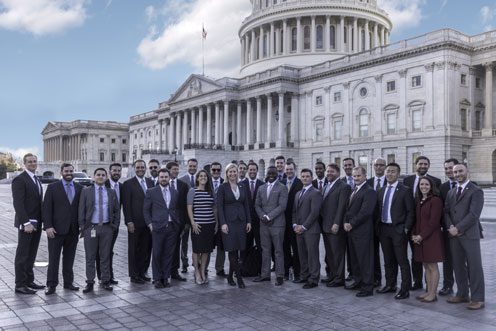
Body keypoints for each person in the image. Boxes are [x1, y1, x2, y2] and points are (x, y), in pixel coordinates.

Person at [445, 164, 485, 310]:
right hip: (453, 235)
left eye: (460, 171)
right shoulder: (451, 192)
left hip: (469, 234)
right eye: (455, 172)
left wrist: (458, 228)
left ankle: (478, 298)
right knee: (458, 265)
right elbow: (446, 212)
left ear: (467, 172)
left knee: (474, 267)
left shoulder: (476, 191)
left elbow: (474, 215)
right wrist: (450, 227)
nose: (457, 174)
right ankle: (462, 294)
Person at [376, 163, 415, 300]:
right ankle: (390, 285)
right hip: (384, 229)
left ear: (398, 174)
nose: (389, 174)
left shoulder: (405, 190)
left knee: (402, 260)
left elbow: (411, 211)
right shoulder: (380, 190)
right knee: (388, 260)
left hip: (398, 229)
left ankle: (405, 289)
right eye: (388, 171)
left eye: (393, 172)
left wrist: (405, 228)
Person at [78, 168, 120, 293]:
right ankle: (90, 282)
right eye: (98, 175)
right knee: (90, 256)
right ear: (93, 176)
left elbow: (117, 210)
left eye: (103, 175)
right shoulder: (86, 191)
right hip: (91, 228)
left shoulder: (111, 192)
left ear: (106, 177)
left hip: (107, 228)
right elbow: (81, 210)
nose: (100, 177)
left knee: (105, 256)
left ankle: (105, 281)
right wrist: (83, 227)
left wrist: (115, 226)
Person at [403, 155, 441, 290]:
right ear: (416, 165)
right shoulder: (407, 180)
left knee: (429, 259)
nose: (423, 166)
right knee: (416, 256)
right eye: (420, 164)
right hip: (411, 225)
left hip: (427, 226)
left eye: (426, 164)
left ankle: (429, 287)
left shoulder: (436, 181)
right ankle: (417, 282)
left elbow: (436, 211)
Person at [43, 163, 82, 295]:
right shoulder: (53, 187)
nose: (69, 173)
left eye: (71, 171)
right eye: (66, 171)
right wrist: (48, 226)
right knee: (54, 258)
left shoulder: (79, 188)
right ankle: (51, 285)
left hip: (73, 230)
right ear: (61, 172)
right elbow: (46, 208)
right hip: (55, 230)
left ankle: (68, 283)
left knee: (69, 258)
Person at [12, 153, 45, 294]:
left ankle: (29, 280)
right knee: (23, 254)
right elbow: (18, 204)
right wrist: (26, 223)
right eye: (30, 162)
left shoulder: (35, 179)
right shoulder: (20, 180)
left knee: (31, 254)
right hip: (27, 224)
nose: (33, 163)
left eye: (34, 161)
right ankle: (20, 284)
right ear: (24, 164)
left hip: (36, 223)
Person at [343, 166, 377, 297]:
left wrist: (351, 223)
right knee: (355, 259)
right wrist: (346, 223)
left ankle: (367, 287)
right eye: (354, 176)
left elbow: (366, 212)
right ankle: (358, 281)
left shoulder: (369, 191)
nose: (356, 178)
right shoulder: (354, 189)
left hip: (362, 232)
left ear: (364, 176)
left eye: (358, 176)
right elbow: (349, 209)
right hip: (351, 231)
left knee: (365, 260)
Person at [217, 163, 252, 288]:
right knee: (232, 251)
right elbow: (219, 207)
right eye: (230, 172)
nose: (232, 174)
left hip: (241, 222)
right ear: (226, 173)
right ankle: (239, 279)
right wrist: (223, 223)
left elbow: (246, 205)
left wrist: (248, 221)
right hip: (229, 223)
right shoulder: (222, 187)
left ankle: (230, 276)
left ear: (238, 173)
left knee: (238, 250)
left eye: (234, 171)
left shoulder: (242, 186)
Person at [143, 168, 179, 288]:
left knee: (168, 254)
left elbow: (176, 209)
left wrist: (177, 223)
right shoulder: (151, 191)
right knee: (157, 253)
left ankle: (166, 277)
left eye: (166, 177)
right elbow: (146, 210)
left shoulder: (174, 191)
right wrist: (150, 224)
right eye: (161, 177)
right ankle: (157, 278)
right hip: (157, 227)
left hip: (171, 227)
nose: (164, 179)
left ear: (169, 178)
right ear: (158, 178)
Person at [411, 176, 444, 303]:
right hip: (420, 238)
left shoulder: (435, 200)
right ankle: (428, 291)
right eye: (421, 184)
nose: (423, 187)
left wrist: (421, 236)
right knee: (426, 265)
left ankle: (433, 294)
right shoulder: (419, 200)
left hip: (431, 238)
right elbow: (417, 220)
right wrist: (414, 235)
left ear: (431, 186)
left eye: (426, 185)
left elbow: (434, 222)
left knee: (432, 266)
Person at [254, 166, 288, 286]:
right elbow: (257, 204)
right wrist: (263, 216)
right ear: (266, 174)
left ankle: (279, 276)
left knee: (278, 250)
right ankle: (265, 275)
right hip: (263, 224)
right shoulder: (261, 188)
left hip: (277, 224)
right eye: (269, 173)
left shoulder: (283, 188)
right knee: (265, 250)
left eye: (273, 172)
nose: (271, 174)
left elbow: (282, 206)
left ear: (277, 174)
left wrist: (269, 216)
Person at [122, 159, 154, 284]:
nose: (140, 169)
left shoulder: (151, 182)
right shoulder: (128, 184)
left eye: (142, 167)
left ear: (146, 168)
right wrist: (129, 221)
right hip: (135, 223)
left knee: (145, 249)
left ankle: (142, 272)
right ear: (134, 168)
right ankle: (134, 275)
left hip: (148, 223)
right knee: (134, 250)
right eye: (138, 167)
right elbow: (126, 205)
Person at [320, 163, 350, 288]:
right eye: (327, 172)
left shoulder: (344, 186)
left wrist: (337, 223)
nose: (329, 174)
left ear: (338, 173)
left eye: (332, 172)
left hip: (335, 226)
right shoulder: (326, 185)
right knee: (330, 253)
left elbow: (342, 207)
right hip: (326, 225)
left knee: (337, 254)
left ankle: (339, 279)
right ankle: (332, 275)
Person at [292, 168, 322, 289]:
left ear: (311, 177)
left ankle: (313, 279)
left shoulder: (316, 192)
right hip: (298, 230)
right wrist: (295, 225)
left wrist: (303, 226)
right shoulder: (298, 194)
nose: (305, 178)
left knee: (312, 255)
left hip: (311, 230)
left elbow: (314, 213)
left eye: (307, 176)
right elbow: (294, 211)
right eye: (303, 176)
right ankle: (304, 276)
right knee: (302, 254)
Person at [187, 170, 217, 284]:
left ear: (208, 178)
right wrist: (193, 222)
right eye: (201, 176)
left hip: (209, 224)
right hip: (197, 225)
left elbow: (214, 208)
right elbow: (189, 207)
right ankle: (197, 273)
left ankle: (203, 271)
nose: (203, 177)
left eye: (205, 176)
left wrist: (217, 223)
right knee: (196, 250)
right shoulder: (192, 191)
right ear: (197, 178)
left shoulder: (211, 192)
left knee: (206, 250)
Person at [96, 162, 122, 285]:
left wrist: (116, 225)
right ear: (109, 172)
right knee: (99, 251)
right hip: (101, 225)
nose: (116, 173)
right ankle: (102, 276)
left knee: (109, 251)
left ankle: (109, 275)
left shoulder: (122, 186)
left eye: (118, 171)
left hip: (113, 226)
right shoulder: (101, 184)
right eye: (114, 170)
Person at [437, 158, 459, 296]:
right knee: (447, 260)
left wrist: (459, 226)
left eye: (451, 168)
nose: (448, 171)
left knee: (465, 260)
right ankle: (447, 285)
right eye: (446, 169)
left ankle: (465, 287)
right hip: (447, 228)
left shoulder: (471, 185)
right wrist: (447, 225)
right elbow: (442, 209)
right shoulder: (442, 187)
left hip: (465, 230)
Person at [367, 157, 388, 287]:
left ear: (385, 167)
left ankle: (390, 282)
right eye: (376, 165)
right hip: (370, 224)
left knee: (388, 255)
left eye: (381, 165)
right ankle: (376, 279)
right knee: (373, 254)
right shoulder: (368, 182)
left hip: (386, 224)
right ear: (373, 167)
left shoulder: (390, 181)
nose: (379, 167)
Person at [167, 162, 189, 282]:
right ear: (168, 170)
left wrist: (186, 223)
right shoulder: (161, 183)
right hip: (165, 221)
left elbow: (186, 206)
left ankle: (174, 271)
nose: (176, 171)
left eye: (177, 169)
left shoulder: (183, 185)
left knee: (176, 247)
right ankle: (163, 271)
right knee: (164, 248)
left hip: (178, 222)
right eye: (174, 169)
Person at [281, 161, 302, 281]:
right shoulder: (282, 182)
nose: (289, 171)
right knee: (285, 247)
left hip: (295, 221)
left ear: (295, 170)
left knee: (296, 248)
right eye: (287, 169)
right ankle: (285, 271)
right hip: (283, 222)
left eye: (291, 169)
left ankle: (297, 272)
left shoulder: (300, 183)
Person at [179, 158, 199, 273]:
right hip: (186, 218)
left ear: (197, 167)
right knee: (184, 242)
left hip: (198, 217)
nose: (192, 168)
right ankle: (184, 263)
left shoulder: (201, 178)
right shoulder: (181, 180)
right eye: (190, 166)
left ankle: (197, 262)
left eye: (194, 166)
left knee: (197, 241)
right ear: (187, 166)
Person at [242, 162, 264, 255]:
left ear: (257, 171)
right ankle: (245, 268)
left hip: (259, 222)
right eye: (250, 170)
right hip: (246, 221)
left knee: (260, 246)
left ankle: (259, 267)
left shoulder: (262, 185)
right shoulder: (241, 184)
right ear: (247, 171)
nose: (252, 171)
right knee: (245, 247)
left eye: (254, 170)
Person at [210, 162, 227, 277]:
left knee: (221, 246)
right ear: (210, 170)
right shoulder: (205, 182)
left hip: (221, 219)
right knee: (207, 246)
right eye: (214, 170)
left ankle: (219, 268)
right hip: (208, 219)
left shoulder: (224, 183)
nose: (216, 172)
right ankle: (203, 268)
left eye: (218, 170)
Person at [341, 157, 355, 281]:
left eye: (349, 165)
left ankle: (356, 272)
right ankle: (350, 272)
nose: (347, 167)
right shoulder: (341, 182)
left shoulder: (360, 180)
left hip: (357, 221)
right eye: (345, 165)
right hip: (343, 221)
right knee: (346, 249)